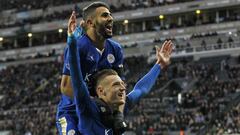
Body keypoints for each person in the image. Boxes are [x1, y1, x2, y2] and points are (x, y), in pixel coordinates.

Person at [68, 29, 173, 135]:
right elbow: (76, 77)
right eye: (116, 85)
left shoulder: (122, 105)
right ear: (101, 91)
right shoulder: (88, 107)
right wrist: (72, 42)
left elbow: (141, 89)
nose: (123, 88)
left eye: (122, 84)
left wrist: (159, 65)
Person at [56, 2, 124, 135]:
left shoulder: (115, 49)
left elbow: (119, 86)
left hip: (100, 112)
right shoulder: (79, 46)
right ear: (90, 23)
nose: (111, 18)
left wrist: (118, 114)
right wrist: (92, 104)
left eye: (110, 15)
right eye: (105, 15)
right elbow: (66, 87)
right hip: (71, 112)